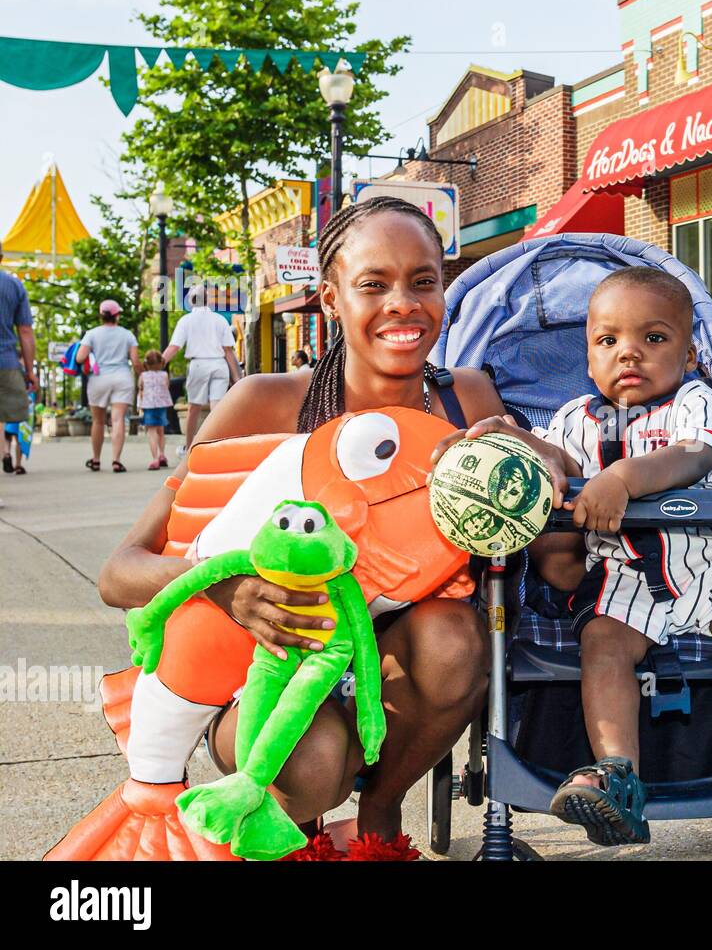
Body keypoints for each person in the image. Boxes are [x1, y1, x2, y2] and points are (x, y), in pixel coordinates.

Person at [97, 195, 571, 846]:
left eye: (423, 281)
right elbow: (120, 573)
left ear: (445, 291)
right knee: (315, 763)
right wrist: (223, 587)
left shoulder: (470, 399)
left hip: (409, 678)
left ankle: (380, 811)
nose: (402, 302)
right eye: (373, 284)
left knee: (455, 641)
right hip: (274, 676)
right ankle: (290, 830)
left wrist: (545, 457)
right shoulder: (266, 402)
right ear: (329, 298)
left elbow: (550, 535)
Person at [522, 266, 712, 845]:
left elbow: (694, 456)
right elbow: (562, 471)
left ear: (691, 353)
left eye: (653, 339)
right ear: (589, 357)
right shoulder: (574, 420)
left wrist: (623, 476)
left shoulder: (696, 402)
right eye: (608, 341)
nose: (630, 354)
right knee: (601, 643)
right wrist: (524, 445)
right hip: (625, 572)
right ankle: (618, 774)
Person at [163, 286, 243, 455]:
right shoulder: (220, 320)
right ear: (209, 300)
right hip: (219, 364)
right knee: (217, 406)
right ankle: (218, 445)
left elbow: (174, 347)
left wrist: (156, 364)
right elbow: (228, 351)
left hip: (198, 365)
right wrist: (237, 378)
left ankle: (189, 447)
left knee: (194, 407)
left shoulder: (186, 321)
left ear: (191, 301)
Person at [77, 300, 140, 473]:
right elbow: (135, 362)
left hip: (99, 378)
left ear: (101, 315)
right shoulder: (127, 334)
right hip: (122, 377)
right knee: (118, 419)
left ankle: (96, 460)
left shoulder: (91, 334)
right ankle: (116, 461)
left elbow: (80, 358)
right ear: (117, 315)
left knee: (98, 421)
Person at [0, 242, 36, 481]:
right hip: (6, 362)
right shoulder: (13, 285)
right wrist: (29, 371)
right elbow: (25, 331)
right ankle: (4, 449)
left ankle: (4, 448)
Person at [138, 349, 173, 470]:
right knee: (161, 431)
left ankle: (155, 459)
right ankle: (162, 454)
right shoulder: (164, 375)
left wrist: (139, 406)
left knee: (151, 432)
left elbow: (141, 390)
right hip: (162, 405)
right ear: (161, 362)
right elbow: (166, 386)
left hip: (148, 406)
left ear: (146, 364)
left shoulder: (143, 376)